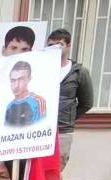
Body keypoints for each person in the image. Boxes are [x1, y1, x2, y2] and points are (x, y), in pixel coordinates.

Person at [46, 28, 94, 169]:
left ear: (68, 45)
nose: (55, 48)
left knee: (55, 170)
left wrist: (68, 117)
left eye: (59, 44)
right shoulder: (41, 68)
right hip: (40, 129)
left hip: (63, 131)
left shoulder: (79, 72)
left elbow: (87, 103)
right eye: (51, 45)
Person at [4, 61, 47, 127]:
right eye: (13, 80)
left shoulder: (38, 102)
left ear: (29, 79)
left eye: (21, 79)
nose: (16, 85)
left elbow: (42, 128)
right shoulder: (9, 106)